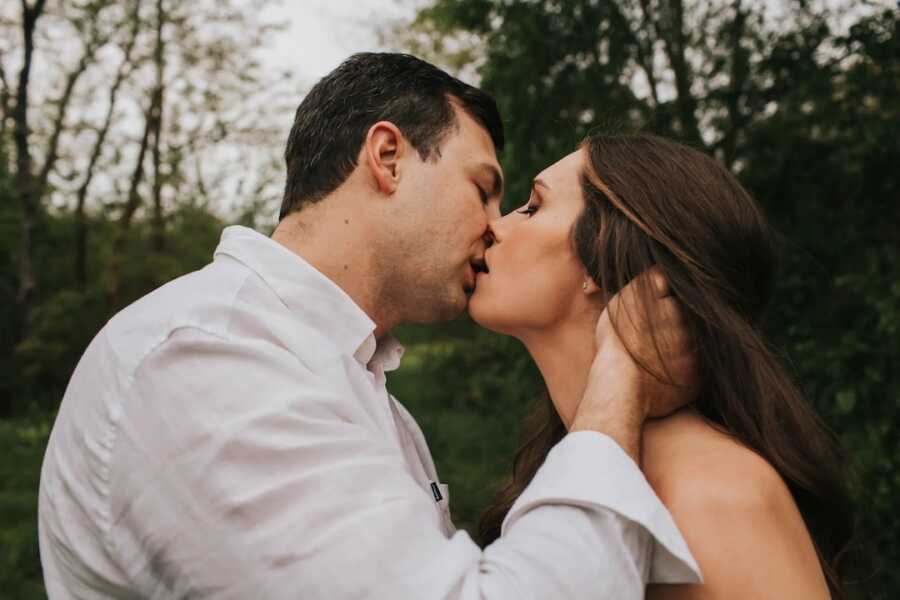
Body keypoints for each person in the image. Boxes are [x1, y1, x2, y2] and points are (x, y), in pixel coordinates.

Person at [37, 53, 701, 598]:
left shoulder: (340, 376)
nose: (496, 226)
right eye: (482, 188)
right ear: (387, 157)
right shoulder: (204, 359)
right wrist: (617, 377)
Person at [469, 133, 855, 599]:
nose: (495, 226)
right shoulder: (575, 470)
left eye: (532, 206)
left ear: (605, 252)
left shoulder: (711, 493)